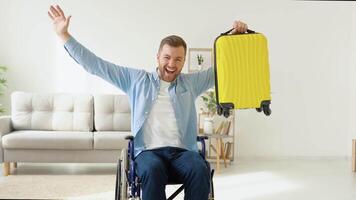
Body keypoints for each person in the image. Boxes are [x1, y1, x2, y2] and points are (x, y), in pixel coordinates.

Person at [48, 5, 248, 200]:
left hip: (183, 152)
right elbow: (96, 65)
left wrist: (235, 40)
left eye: (178, 59)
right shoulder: (136, 80)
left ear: (184, 60)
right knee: (152, 170)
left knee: (199, 168)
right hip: (148, 152)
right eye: (167, 57)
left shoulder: (191, 83)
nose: (171, 64)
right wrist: (64, 36)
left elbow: (223, 69)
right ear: (158, 57)